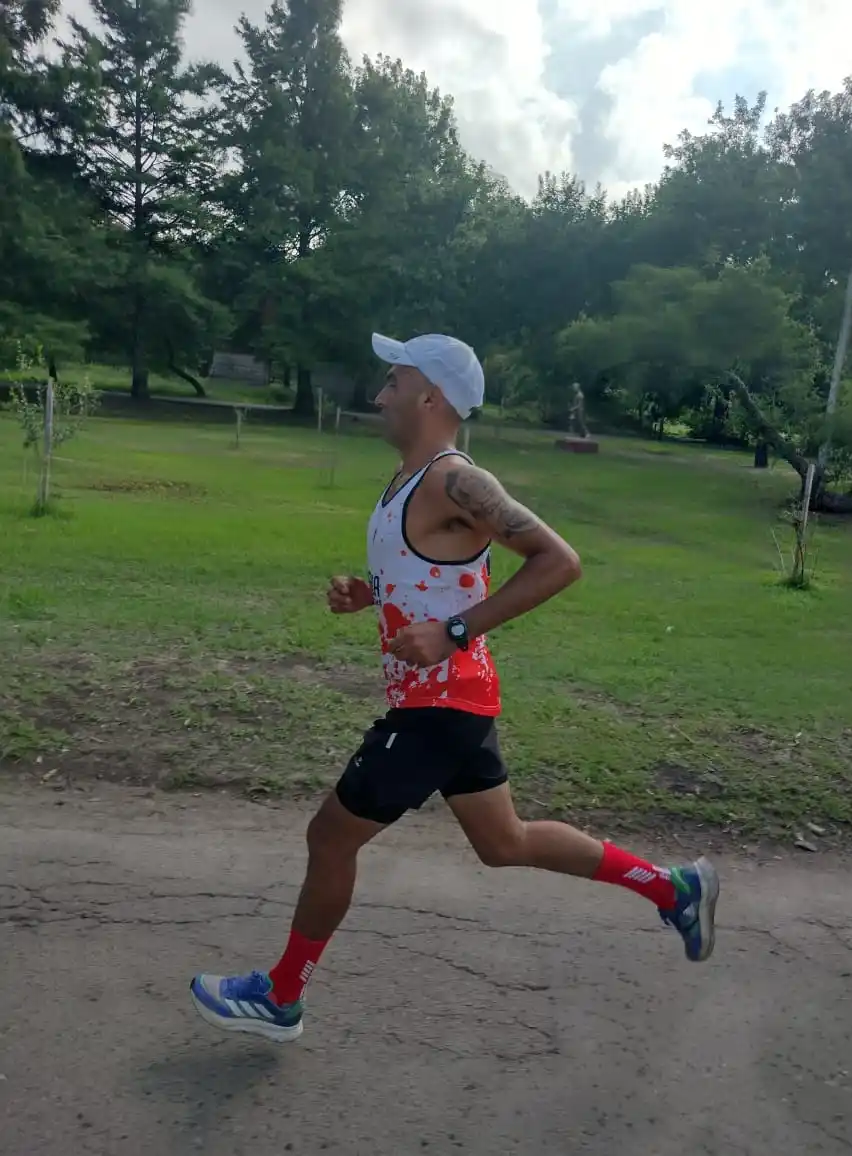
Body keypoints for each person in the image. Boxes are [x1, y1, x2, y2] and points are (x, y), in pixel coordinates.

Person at [190, 332, 720, 1044]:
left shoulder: (455, 480)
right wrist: (372, 595)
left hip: (438, 705)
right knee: (504, 842)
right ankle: (674, 887)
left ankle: (282, 997)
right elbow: (435, 574)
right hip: (452, 702)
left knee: (330, 837)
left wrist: (455, 631)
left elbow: (559, 562)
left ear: (430, 397)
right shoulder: (408, 480)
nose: (379, 394)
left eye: (393, 381)